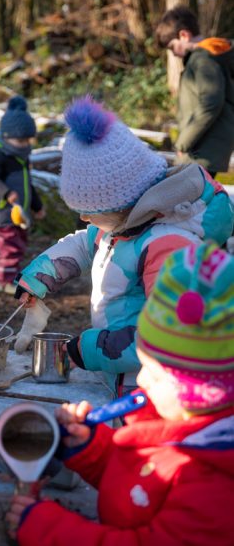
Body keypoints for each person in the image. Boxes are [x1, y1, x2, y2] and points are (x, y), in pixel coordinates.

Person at [8, 242, 234, 546]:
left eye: (154, 373)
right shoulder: (176, 419)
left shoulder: (214, 487)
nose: (141, 378)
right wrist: (91, 449)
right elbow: (140, 484)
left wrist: (48, 529)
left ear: (200, 392)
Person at [14, 95, 233, 395]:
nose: (83, 218)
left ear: (124, 204)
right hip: (120, 374)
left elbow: (168, 332)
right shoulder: (120, 226)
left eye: (90, 212)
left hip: (152, 387)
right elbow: (82, 245)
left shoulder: (169, 247)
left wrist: (89, 349)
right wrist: (37, 279)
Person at [156, 5, 234, 177]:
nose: (174, 54)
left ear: (184, 35)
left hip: (202, 151)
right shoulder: (205, 57)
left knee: (187, 200)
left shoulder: (203, 59)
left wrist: (183, 143)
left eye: (172, 47)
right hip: (203, 148)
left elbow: (211, 103)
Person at [0, 96, 45, 294]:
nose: (25, 145)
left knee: (19, 244)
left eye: (27, 140)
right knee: (10, 246)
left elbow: (28, 184)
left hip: (18, 214)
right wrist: (6, 193)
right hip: (2, 213)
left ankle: (11, 275)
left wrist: (37, 206)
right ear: (6, 136)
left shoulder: (21, 157)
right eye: (20, 140)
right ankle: (6, 280)